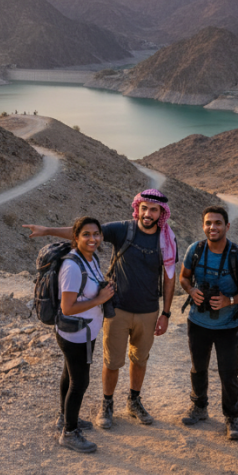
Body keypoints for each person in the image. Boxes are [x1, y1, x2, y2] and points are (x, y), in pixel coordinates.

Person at [24, 188, 177, 429]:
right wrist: (47, 230)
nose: (148, 213)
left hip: (149, 311)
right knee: (112, 361)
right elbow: (84, 234)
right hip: (117, 310)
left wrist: (166, 313)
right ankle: (107, 404)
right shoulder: (123, 229)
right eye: (144, 208)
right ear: (138, 208)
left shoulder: (166, 239)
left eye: (153, 209)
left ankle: (134, 401)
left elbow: (169, 277)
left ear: (161, 213)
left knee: (140, 359)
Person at [178, 206, 238, 441]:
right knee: (197, 368)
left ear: (227, 226)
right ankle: (199, 406)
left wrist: (229, 301)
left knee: (229, 374)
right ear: (203, 226)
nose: (213, 227)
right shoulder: (195, 250)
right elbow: (183, 277)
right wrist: (191, 290)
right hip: (198, 322)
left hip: (228, 326)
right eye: (209, 223)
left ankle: (232, 417)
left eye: (218, 223)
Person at [55, 216, 114, 454]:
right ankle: (69, 433)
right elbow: (67, 307)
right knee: (80, 382)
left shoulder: (90, 258)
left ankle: (65, 418)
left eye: (96, 234)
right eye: (86, 235)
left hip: (83, 331)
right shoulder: (72, 266)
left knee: (69, 376)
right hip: (76, 334)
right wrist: (99, 299)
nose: (93, 239)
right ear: (76, 237)